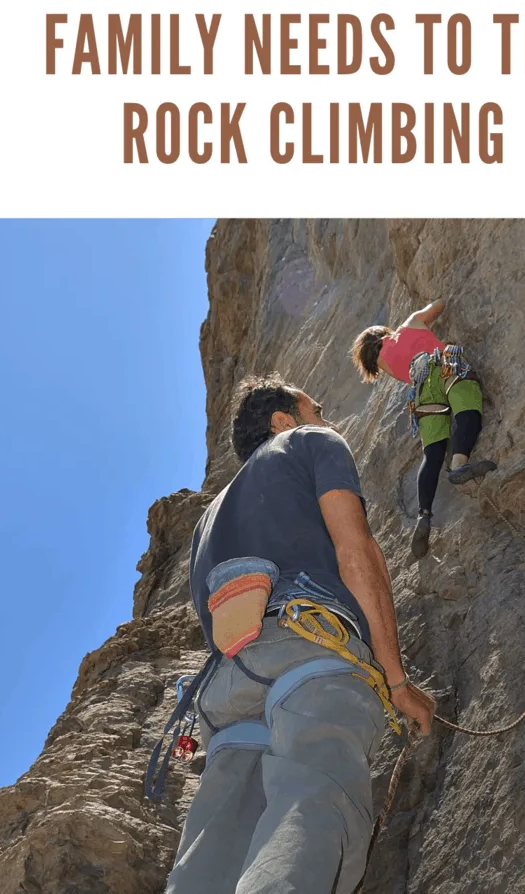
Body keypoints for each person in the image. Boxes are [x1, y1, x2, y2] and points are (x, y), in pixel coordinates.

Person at [165, 374, 436, 894]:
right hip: (309, 649)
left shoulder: (207, 519)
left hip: (225, 687)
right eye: (318, 408)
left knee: (210, 858)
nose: (327, 417)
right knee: (311, 808)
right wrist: (397, 682)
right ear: (283, 420)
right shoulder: (312, 442)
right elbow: (357, 554)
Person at [351, 300, 497, 559]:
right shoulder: (408, 325)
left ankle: (424, 514)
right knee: (467, 410)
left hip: (423, 395)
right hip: (445, 368)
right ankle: (460, 463)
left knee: (432, 453)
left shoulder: (385, 365)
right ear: (385, 332)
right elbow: (438, 306)